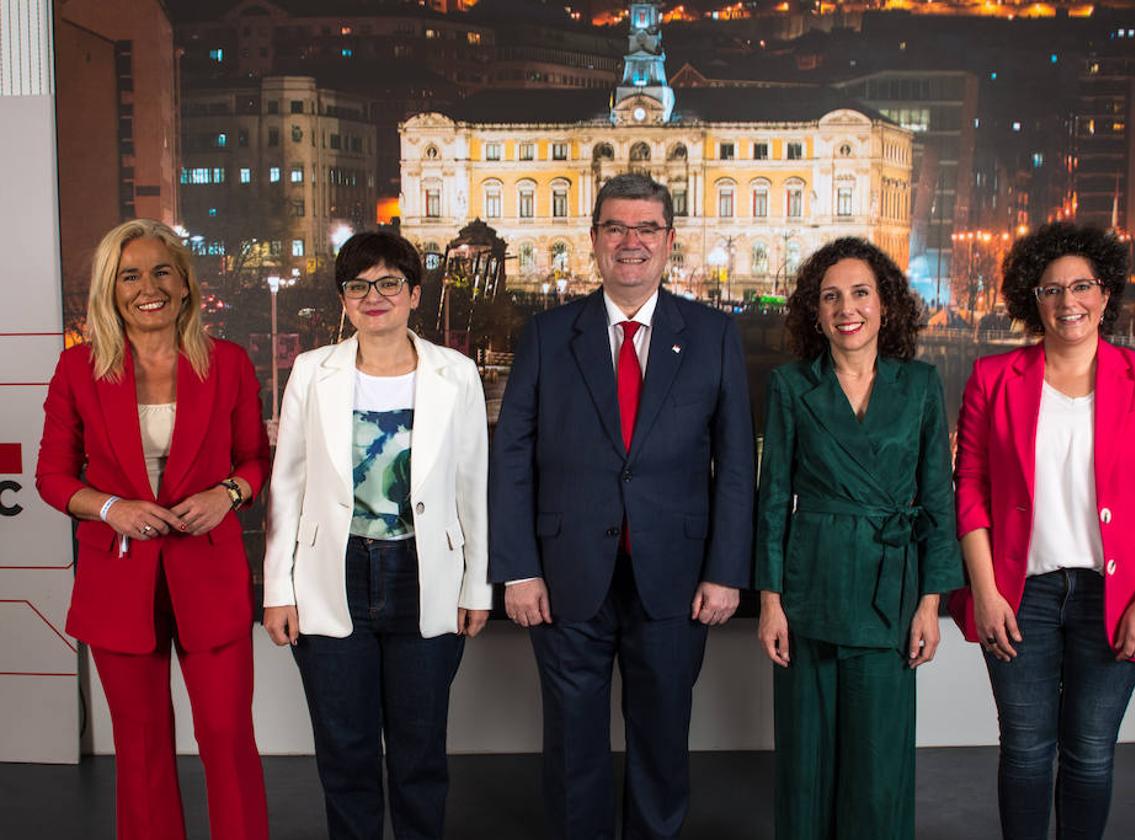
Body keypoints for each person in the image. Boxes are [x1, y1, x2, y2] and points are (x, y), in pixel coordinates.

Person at [489, 173, 756, 839]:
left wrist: (726, 571)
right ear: (594, 241)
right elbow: (512, 455)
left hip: (677, 577)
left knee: (662, 741)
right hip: (564, 574)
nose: (630, 242)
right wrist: (517, 569)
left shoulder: (714, 334)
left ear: (670, 242)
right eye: (615, 227)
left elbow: (734, 465)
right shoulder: (549, 335)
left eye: (645, 229)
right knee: (572, 745)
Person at [950, 222, 1135, 840]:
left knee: (1090, 752)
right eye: (1051, 289)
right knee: (1026, 751)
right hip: (1018, 595)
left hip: (1116, 597)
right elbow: (970, 489)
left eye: (1081, 286)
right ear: (1032, 299)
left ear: (1105, 292)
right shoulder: (992, 378)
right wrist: (985, 592)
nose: (1067, 302)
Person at [35, 220, 270, 840]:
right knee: (139, 748)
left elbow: (255, 460)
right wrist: (113, 508)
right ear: (111, 291)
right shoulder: (76, 371)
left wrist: (229, 494)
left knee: (227, 737)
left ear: (186, 285)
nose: (149, 287)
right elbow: (53, 479)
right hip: (118, 578)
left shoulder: (229, 364)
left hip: (210, 574)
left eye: (162, 271)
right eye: (130, 275)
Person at [263, 231, 490, 840]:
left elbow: (473, 486)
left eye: (389, 283)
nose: (374, 296)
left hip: (426, 574)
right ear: (344, 300)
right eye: (358, 286)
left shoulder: (456, 374)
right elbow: (287, 485)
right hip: (331, 575)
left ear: (415, 294)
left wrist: (478, 586)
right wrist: (277, 589)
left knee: (419, 754)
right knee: (346, 754)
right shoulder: (313, 372)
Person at [755, 237, 963, 840]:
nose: (848, 308)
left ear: (886, 305)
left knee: (878, 764)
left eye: (861, 293)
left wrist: (930, 602)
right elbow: (773, 503)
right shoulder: (792, 386)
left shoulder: (921, 385)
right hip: (808, 589)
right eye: (831, 296)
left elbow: (937, 501)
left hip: (890, 595)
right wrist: (770, 601)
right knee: (806, 762)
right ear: (815, 313)